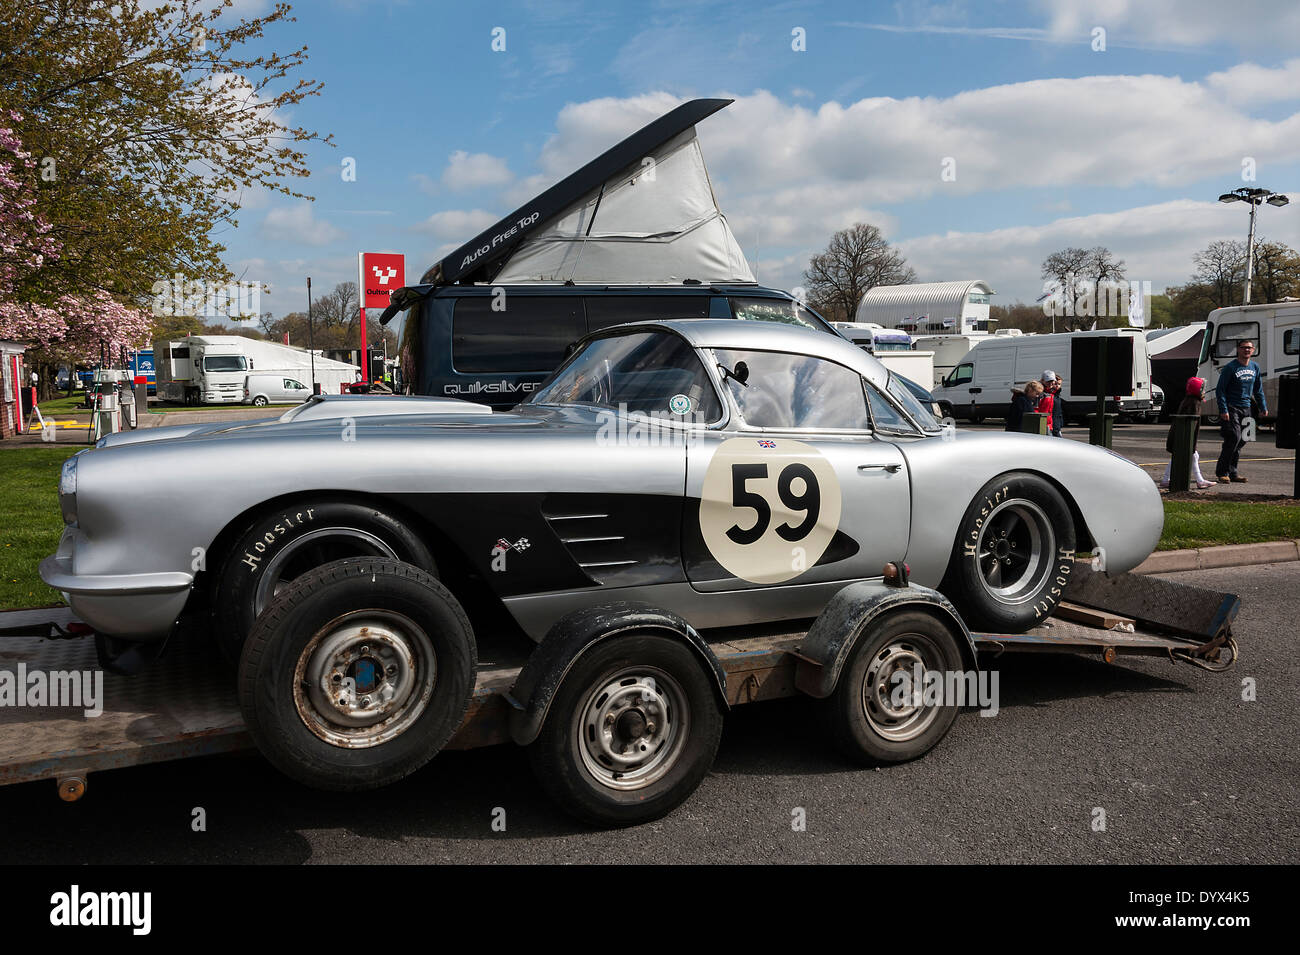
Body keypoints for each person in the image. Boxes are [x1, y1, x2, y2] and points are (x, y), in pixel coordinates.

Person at [1214, 339, 1267, 483]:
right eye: (1244, 348)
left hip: (1247, 408)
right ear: (1238, 349)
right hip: (1232, 408)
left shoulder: (1255, 367)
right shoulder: (1230, 367)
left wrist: (1263, 407)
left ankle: (1233, 473)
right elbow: (1220, 390)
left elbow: (1258, 389)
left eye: (1249, 348)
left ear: (1253, 350)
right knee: (1233, 438)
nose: (1247, 350)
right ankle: (1222, 472)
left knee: (1243, 440)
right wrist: (1223, 409)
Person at [1160, 376, 1213, 490]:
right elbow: (1190, 425)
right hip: (1183, 437)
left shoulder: (1189, 401)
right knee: (1189, 456)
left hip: (1180, 436)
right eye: (1202, 389)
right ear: (1197, 390)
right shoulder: (1194, 404)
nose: (1204, 392)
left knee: (1188, 456)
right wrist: (1191, 443)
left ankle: (1167, 479)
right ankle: (1199, 481)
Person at [1041, 370, 1065, 436]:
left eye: (1052, 381)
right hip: (1044, 425)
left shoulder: (1054, 394)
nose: (1051, 383)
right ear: (1042, 381)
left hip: (1054, 425)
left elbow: (1058, 411)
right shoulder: (1041, 393)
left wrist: (1060, 423)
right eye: (1048, 381)